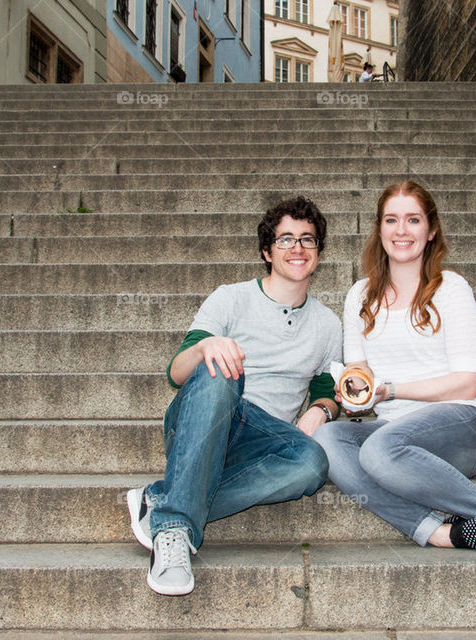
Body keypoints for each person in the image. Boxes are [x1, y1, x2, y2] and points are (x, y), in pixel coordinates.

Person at [314, 180, 476, 554]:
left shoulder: (451, 289)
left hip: (463, 426)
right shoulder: (359, 295)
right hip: (394, 434)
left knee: (377, 450)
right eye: (391, 220)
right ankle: (437, 531)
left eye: (413, 220)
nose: (401, 231)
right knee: (327, 439)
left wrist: (390, 390)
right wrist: (355, 393)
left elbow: (466, 384)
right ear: (379, 229)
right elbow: (360, 377)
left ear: (431, 229)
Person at [127, 196, 342, 596]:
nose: (297, 248)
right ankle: (173, 526)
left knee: (312, 462)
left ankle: (162, 499)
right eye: (286, 240)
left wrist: (320, 411)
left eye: (308, 240)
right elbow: (177, 373)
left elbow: (329, 391)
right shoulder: (231, 297)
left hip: (262, 442)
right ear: (267, 251)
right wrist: (205, 349)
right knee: (221, 369)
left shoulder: (329, 325)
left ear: (318, 252)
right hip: (204, 419)